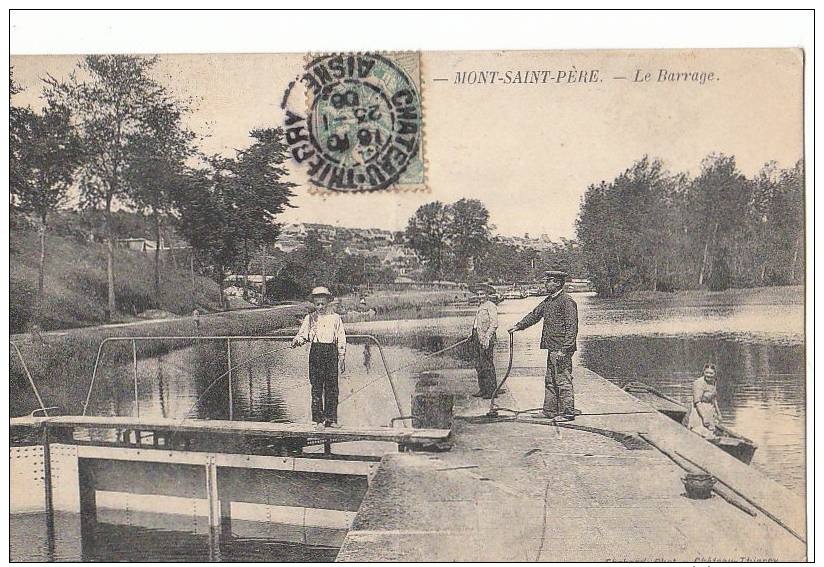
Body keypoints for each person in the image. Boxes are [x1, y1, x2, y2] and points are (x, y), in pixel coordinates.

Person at [508, 271, 579, 421]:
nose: (546, 284)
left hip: (561, 349)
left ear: (558, 283)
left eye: (550, 281)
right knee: (550, 380)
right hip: (552, 347)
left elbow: (572, 328)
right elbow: (534, 315)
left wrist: (564, 349)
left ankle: (567, 413)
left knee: (563, 380)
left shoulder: (567, 301)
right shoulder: (548, 301)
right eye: (547, 281)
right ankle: (549, 411)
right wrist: (518, 326)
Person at [291, 287, 347, 428]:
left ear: (328, 302)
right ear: (314, 304)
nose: (320, 307)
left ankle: (331, 419)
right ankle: (318, 420)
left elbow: (341, 337)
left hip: (331, 352)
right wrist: (297, 340)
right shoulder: (310, 318)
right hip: (316, 352)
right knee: (316, 387)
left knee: (332, 387)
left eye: (323, 303)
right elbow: (303, 335)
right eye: (318, 304)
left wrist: (342, 356)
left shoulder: (335, 318)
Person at [471, 283, 499, 399]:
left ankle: (491, 391)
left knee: (487, 365)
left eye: (482, 294)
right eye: (478, 294)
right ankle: (483, 389)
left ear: (487, 295)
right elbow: (478, 324)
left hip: (487, 338)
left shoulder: (490, 305)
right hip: (477, 338)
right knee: (479, 365)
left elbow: (494, 324)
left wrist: (487, 337)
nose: (479, 296)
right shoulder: (480, 306)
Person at [684, 363, 722, 439]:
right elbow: (697, 402)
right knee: (699, 431)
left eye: (711, 373)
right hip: (699, 410)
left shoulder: (713, 382)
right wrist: (704, 417)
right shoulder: (698, 383)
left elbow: (714, 399)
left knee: (711, 431)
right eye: (707, 372)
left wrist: (719, 414)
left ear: (714, 374)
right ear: (703, 372)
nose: (709, 375)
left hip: (710, 410)